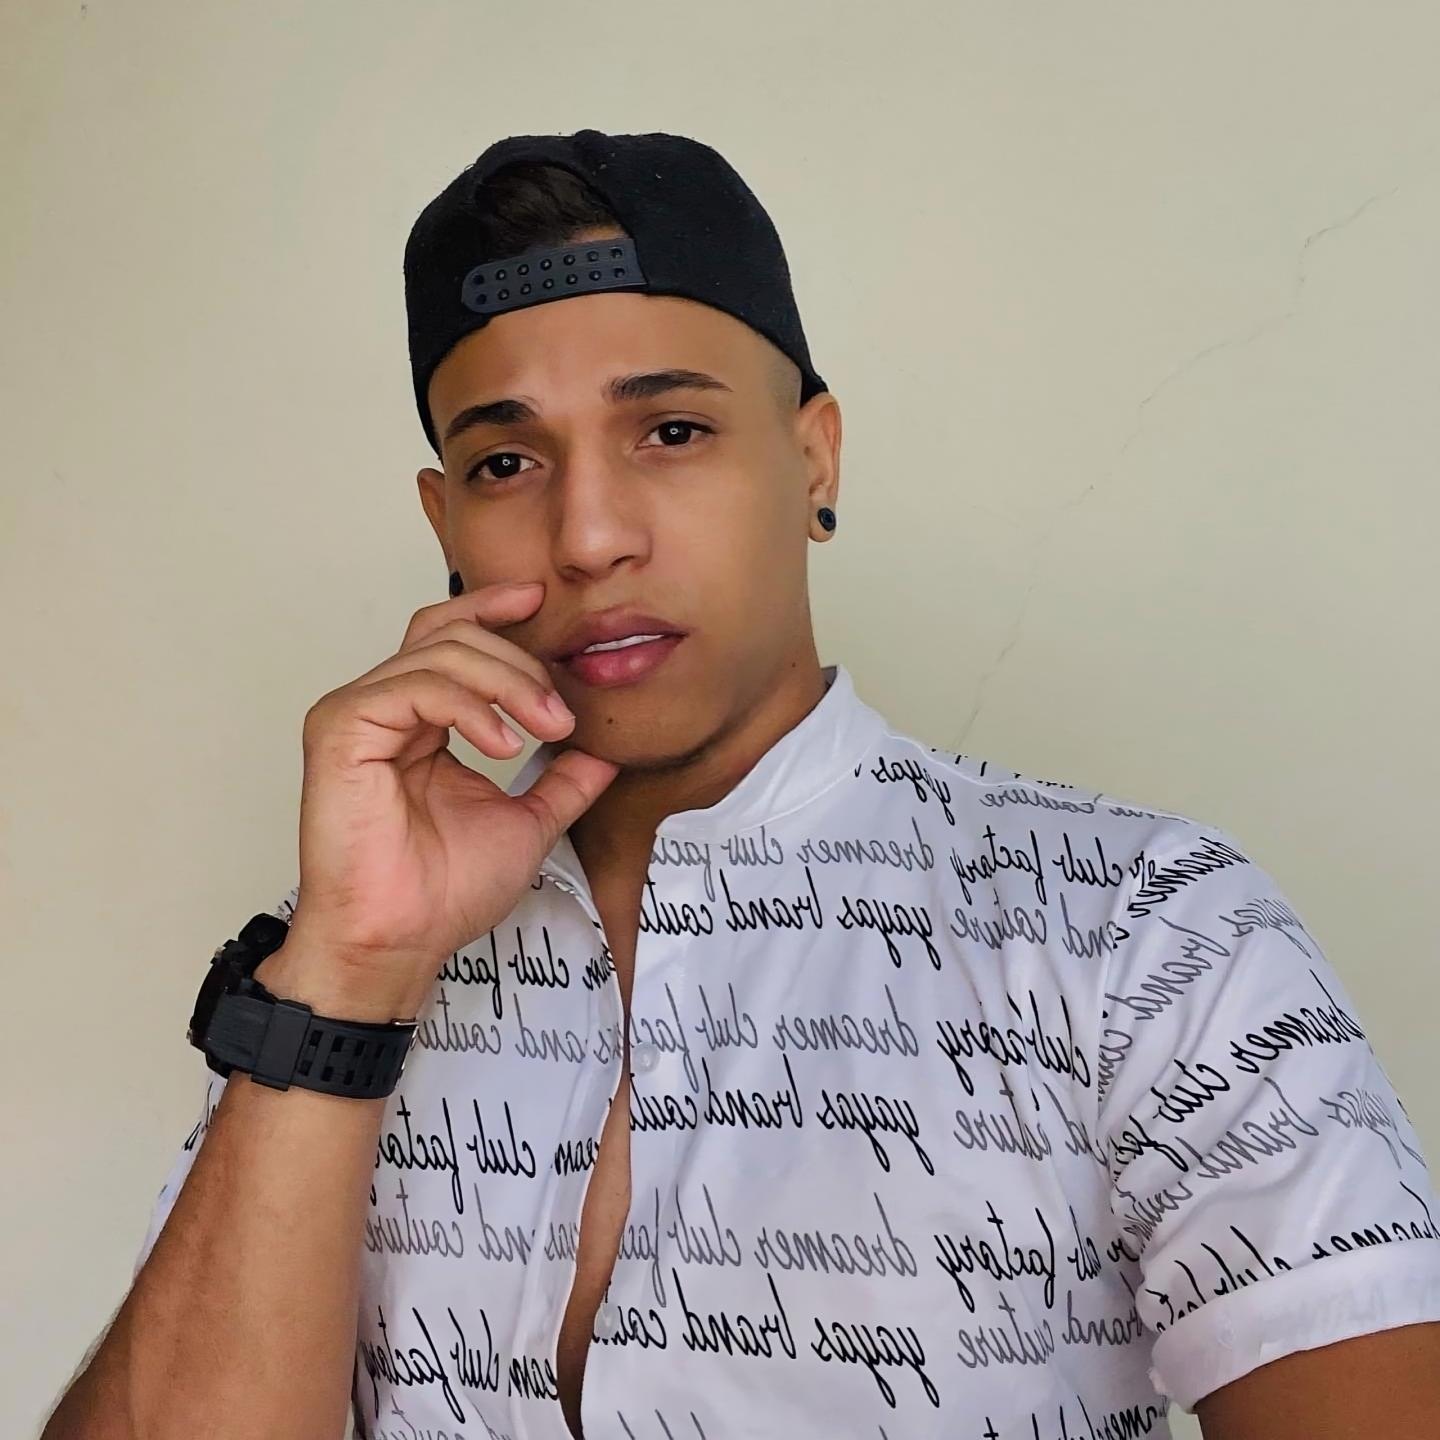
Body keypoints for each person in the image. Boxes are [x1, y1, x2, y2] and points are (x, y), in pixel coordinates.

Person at [43, 128, 1440, 1440]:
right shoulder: (346, 964)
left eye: (671, 431)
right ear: (445, 521)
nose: (589, 535)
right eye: (507, 460)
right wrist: (349, 973)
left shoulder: (1143, 929)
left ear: (813, 454)